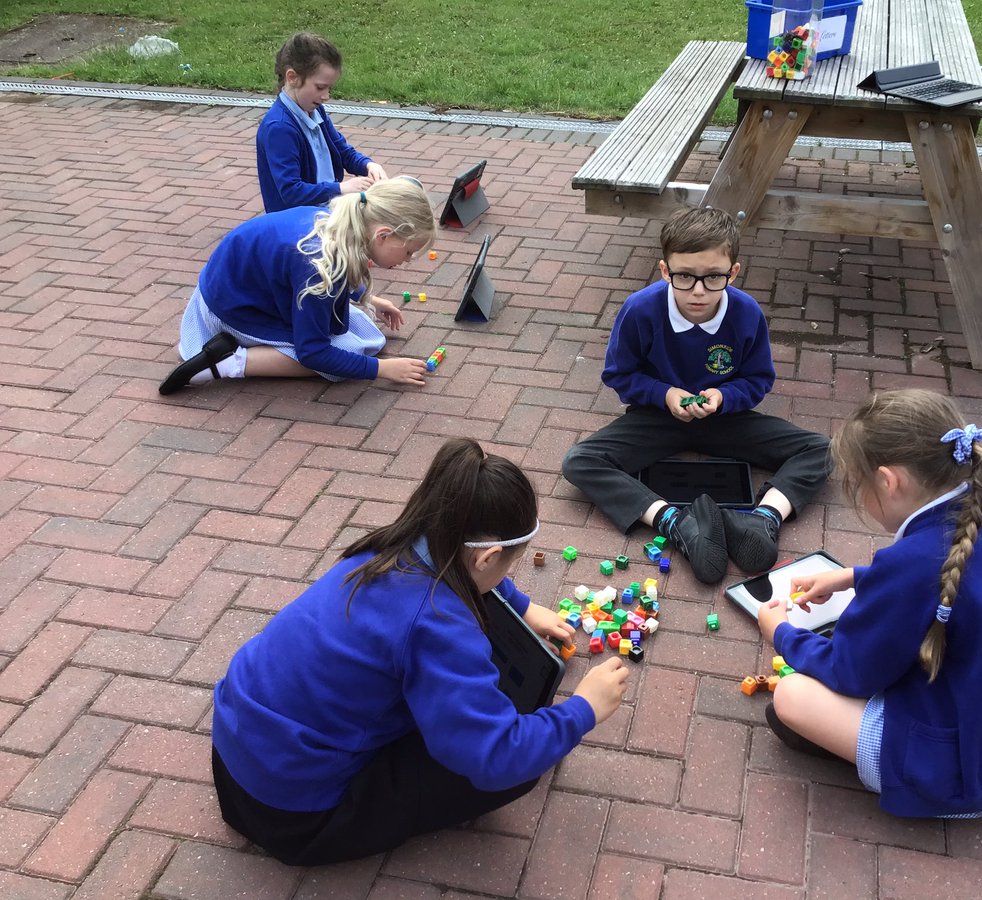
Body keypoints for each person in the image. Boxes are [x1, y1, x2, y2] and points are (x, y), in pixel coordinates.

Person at [211, 437, 630, 865]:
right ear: (488, 558)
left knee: (448, 706)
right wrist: (584, 709)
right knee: (516, 766)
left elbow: (458, 567)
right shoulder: (438, 623)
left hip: (236, 750)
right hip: (292, 814)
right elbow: (496, 756)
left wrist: (520, 605)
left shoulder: (387, 546)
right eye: (509, 564)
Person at [758, 389, 982, 818]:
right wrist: (854, 577)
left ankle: (894, 770)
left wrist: (780, 632)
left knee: (791, 698)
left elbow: (850, 671)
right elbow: (953, 583)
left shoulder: (910, 564)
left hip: (967, 775)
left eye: (858, 486)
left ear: (889, 482)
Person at [562, 207, 831, 584]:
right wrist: (665, 393)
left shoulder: (746, 312)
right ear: (664, 270)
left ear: (733, 272)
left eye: (713, 277)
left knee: (822, 449)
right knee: (580, 461)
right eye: (684, 276)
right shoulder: (640, 309)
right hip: (657, 418)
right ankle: (675, 523)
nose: (699, 291)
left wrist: (723, 398)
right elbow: (618, 373)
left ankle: (762, 518)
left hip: (724, 418)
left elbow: (758, 379)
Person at [159, 178, 434, 395]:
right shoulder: (319, 265)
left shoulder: (336, 221)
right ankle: (229, 363)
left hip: (231, 293)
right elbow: (312, 351)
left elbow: (309, 274)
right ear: (382, 236)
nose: (408, 261)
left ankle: (237, 356)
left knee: (362, 330)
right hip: (228, 314)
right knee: (347, 356)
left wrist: (368, 298)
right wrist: (382, 369)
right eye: (409, 252)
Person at [257, 32, 387, 213]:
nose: (326, 96)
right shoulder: (279, 127)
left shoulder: (314, 109)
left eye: (329, 88)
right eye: (320, 87)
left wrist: (368, 165)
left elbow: (342, 151)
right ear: (292, 77)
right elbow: (291, 192)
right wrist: (341, 188)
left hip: (326, 207)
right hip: (298, 221)